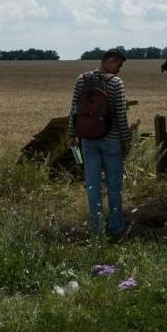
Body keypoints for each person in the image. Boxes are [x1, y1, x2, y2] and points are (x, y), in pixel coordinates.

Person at [69, 49, 131, 237]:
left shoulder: (82, 79)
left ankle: (95, 228)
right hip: (111, 142)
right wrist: (126, 141)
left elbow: (73, 109)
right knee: (114, 186)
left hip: (88, 140)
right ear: (111, 60)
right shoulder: (116, 83)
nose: (119, 70)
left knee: (92, 185)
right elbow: (120, 115)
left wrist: (73, 134)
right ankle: (115, 226)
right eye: (118, 65)